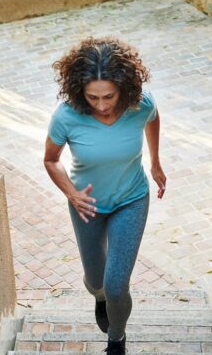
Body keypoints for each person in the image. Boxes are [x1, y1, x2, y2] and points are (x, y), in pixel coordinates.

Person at [43, 36, 166, 354]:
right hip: (87, 205)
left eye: (108, 96)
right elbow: (51, 160)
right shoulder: (67, 116)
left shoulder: (141, 104)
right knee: (95, 281)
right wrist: (71, 193)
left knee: (116, 284)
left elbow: (153, 120)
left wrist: (155, 163)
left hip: (131, 199)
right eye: (92, 97)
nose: (101, 105)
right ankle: (99, 297)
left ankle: (117, 340)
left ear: (123, 86)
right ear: (79, 90)